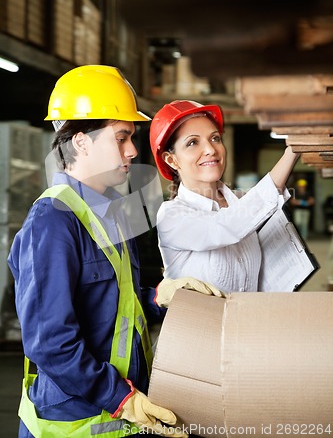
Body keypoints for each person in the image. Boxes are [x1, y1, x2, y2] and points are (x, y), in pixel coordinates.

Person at [7, 67, 223, 438]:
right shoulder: (53, 221)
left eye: (132, 137)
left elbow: (116, 302)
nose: (133, 150)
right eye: (121, 137)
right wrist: (124, 400)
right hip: (73, 423)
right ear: (82, 142)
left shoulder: (109, 212)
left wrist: (159, 295)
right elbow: (51, 344)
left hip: (119, 417)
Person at [149, 99, 301, 292]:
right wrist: (293, 151)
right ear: (172, 160)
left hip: (248, 320)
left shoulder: (238, 200)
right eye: (193, 142)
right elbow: (228, 225)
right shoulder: (171, 216)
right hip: (200, 323)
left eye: (215, 138)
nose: (211, 150)